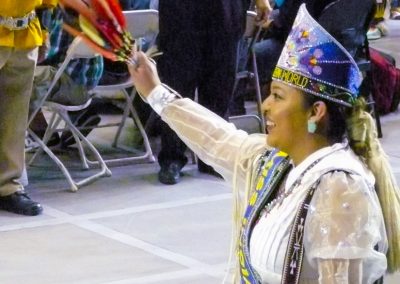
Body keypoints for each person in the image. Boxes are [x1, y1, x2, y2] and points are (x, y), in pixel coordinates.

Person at [129, 4, 400, 283]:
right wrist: (155, 92)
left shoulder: (340, 186)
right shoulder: (280, 161)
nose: (265, 106)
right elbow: (220, 140)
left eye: (278, 97)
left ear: (315, 112)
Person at [155, 0, 271, 184]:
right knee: (178, 81)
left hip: (226, 9)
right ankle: (171, 157)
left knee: (220, 84)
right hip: (181, 10)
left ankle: (212, 156)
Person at [0, 0, 58, 216]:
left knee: (15, 120)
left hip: (25, 35)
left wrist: (43, 33)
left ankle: (8, 187)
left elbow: (47, 3)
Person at [29, 5, 104, 149]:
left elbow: (43, 56)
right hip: (90, 82)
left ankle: (42, 136)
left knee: (16, 80)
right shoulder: (87, 7)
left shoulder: (64, 16)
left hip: (74, 86)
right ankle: (80, 115)